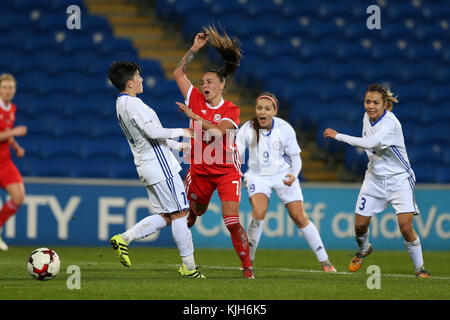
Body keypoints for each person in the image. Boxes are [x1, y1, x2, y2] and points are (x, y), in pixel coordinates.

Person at [107, 61, 205, 278]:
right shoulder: (134, 105)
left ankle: (125, 238)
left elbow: (147, 137)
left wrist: (177, 146)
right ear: (130, 82)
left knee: (168, 215)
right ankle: (189, 268)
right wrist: (183, 132)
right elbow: (152, 132)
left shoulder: (121, 104)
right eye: (138, 76)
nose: (142, 79)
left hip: (147, 165)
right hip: (160, 167)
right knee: (180, 213)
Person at [323, 83, 431, 278]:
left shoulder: (391, 123)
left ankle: (420, 269)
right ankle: (364, 250)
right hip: (374, 179)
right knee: (359, 227)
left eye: (375, 103)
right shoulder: (367, 117)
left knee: (406, 227)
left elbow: (371, 143)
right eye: (367, 102)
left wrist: (338, 136)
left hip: (399, 180)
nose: (370, 106)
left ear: (385, 105)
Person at [173, 25, 254, 279]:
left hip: (226, 171)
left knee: (231, 220)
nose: (203, 85)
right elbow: (178, 73)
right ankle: (195, 212)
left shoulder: (232, 109)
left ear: (221, 85)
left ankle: (247, 268)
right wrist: (194, 49)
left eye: (209, 81)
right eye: (202, 82)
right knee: (198, 208)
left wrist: (192, 116)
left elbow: (219, 132)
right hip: (200, 169)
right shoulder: (194, 98)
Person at [236, 92, 336, 272]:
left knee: (299, 217)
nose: (262, 112)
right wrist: (236, 174)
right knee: (259, 211)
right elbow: (235, 154)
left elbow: (295, 158)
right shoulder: (247, 129)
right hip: (258, 176)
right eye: (259, 108)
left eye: (267, 109)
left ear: (275, 111)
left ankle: (325, 261)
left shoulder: (285, 128)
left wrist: (294, 174)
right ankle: (248, 262)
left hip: (283, 175)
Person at [0, 73, 27, 251]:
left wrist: (15, 145)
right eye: (4, 87)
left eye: (11, 87)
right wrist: (14, 133)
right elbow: (8, 132)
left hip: (4, 160)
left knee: (19, 196)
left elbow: (6, 132)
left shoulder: (12, 108)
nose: (8, 91)